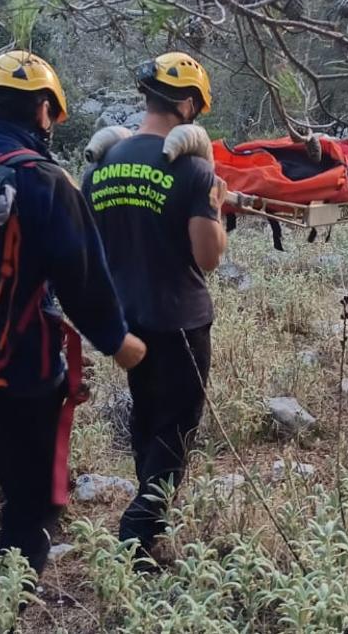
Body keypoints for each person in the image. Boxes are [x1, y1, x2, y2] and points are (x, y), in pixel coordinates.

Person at [0, 51, 146, 633]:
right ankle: (5, 611)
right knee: (35, 499)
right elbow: (83, 279)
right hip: (23, 373)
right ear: (44, 111)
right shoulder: (46, 179)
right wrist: (120, 343)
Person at [80, 52, 227, 565]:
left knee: (147, 423)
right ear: (187, 105)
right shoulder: (193, 168)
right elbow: (207, 256)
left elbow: (93, 248)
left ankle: (143, 524)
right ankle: (135, 540)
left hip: (127, 324)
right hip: (181, 320)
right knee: (176, 432)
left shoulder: (101, 167)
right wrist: (216, 207)